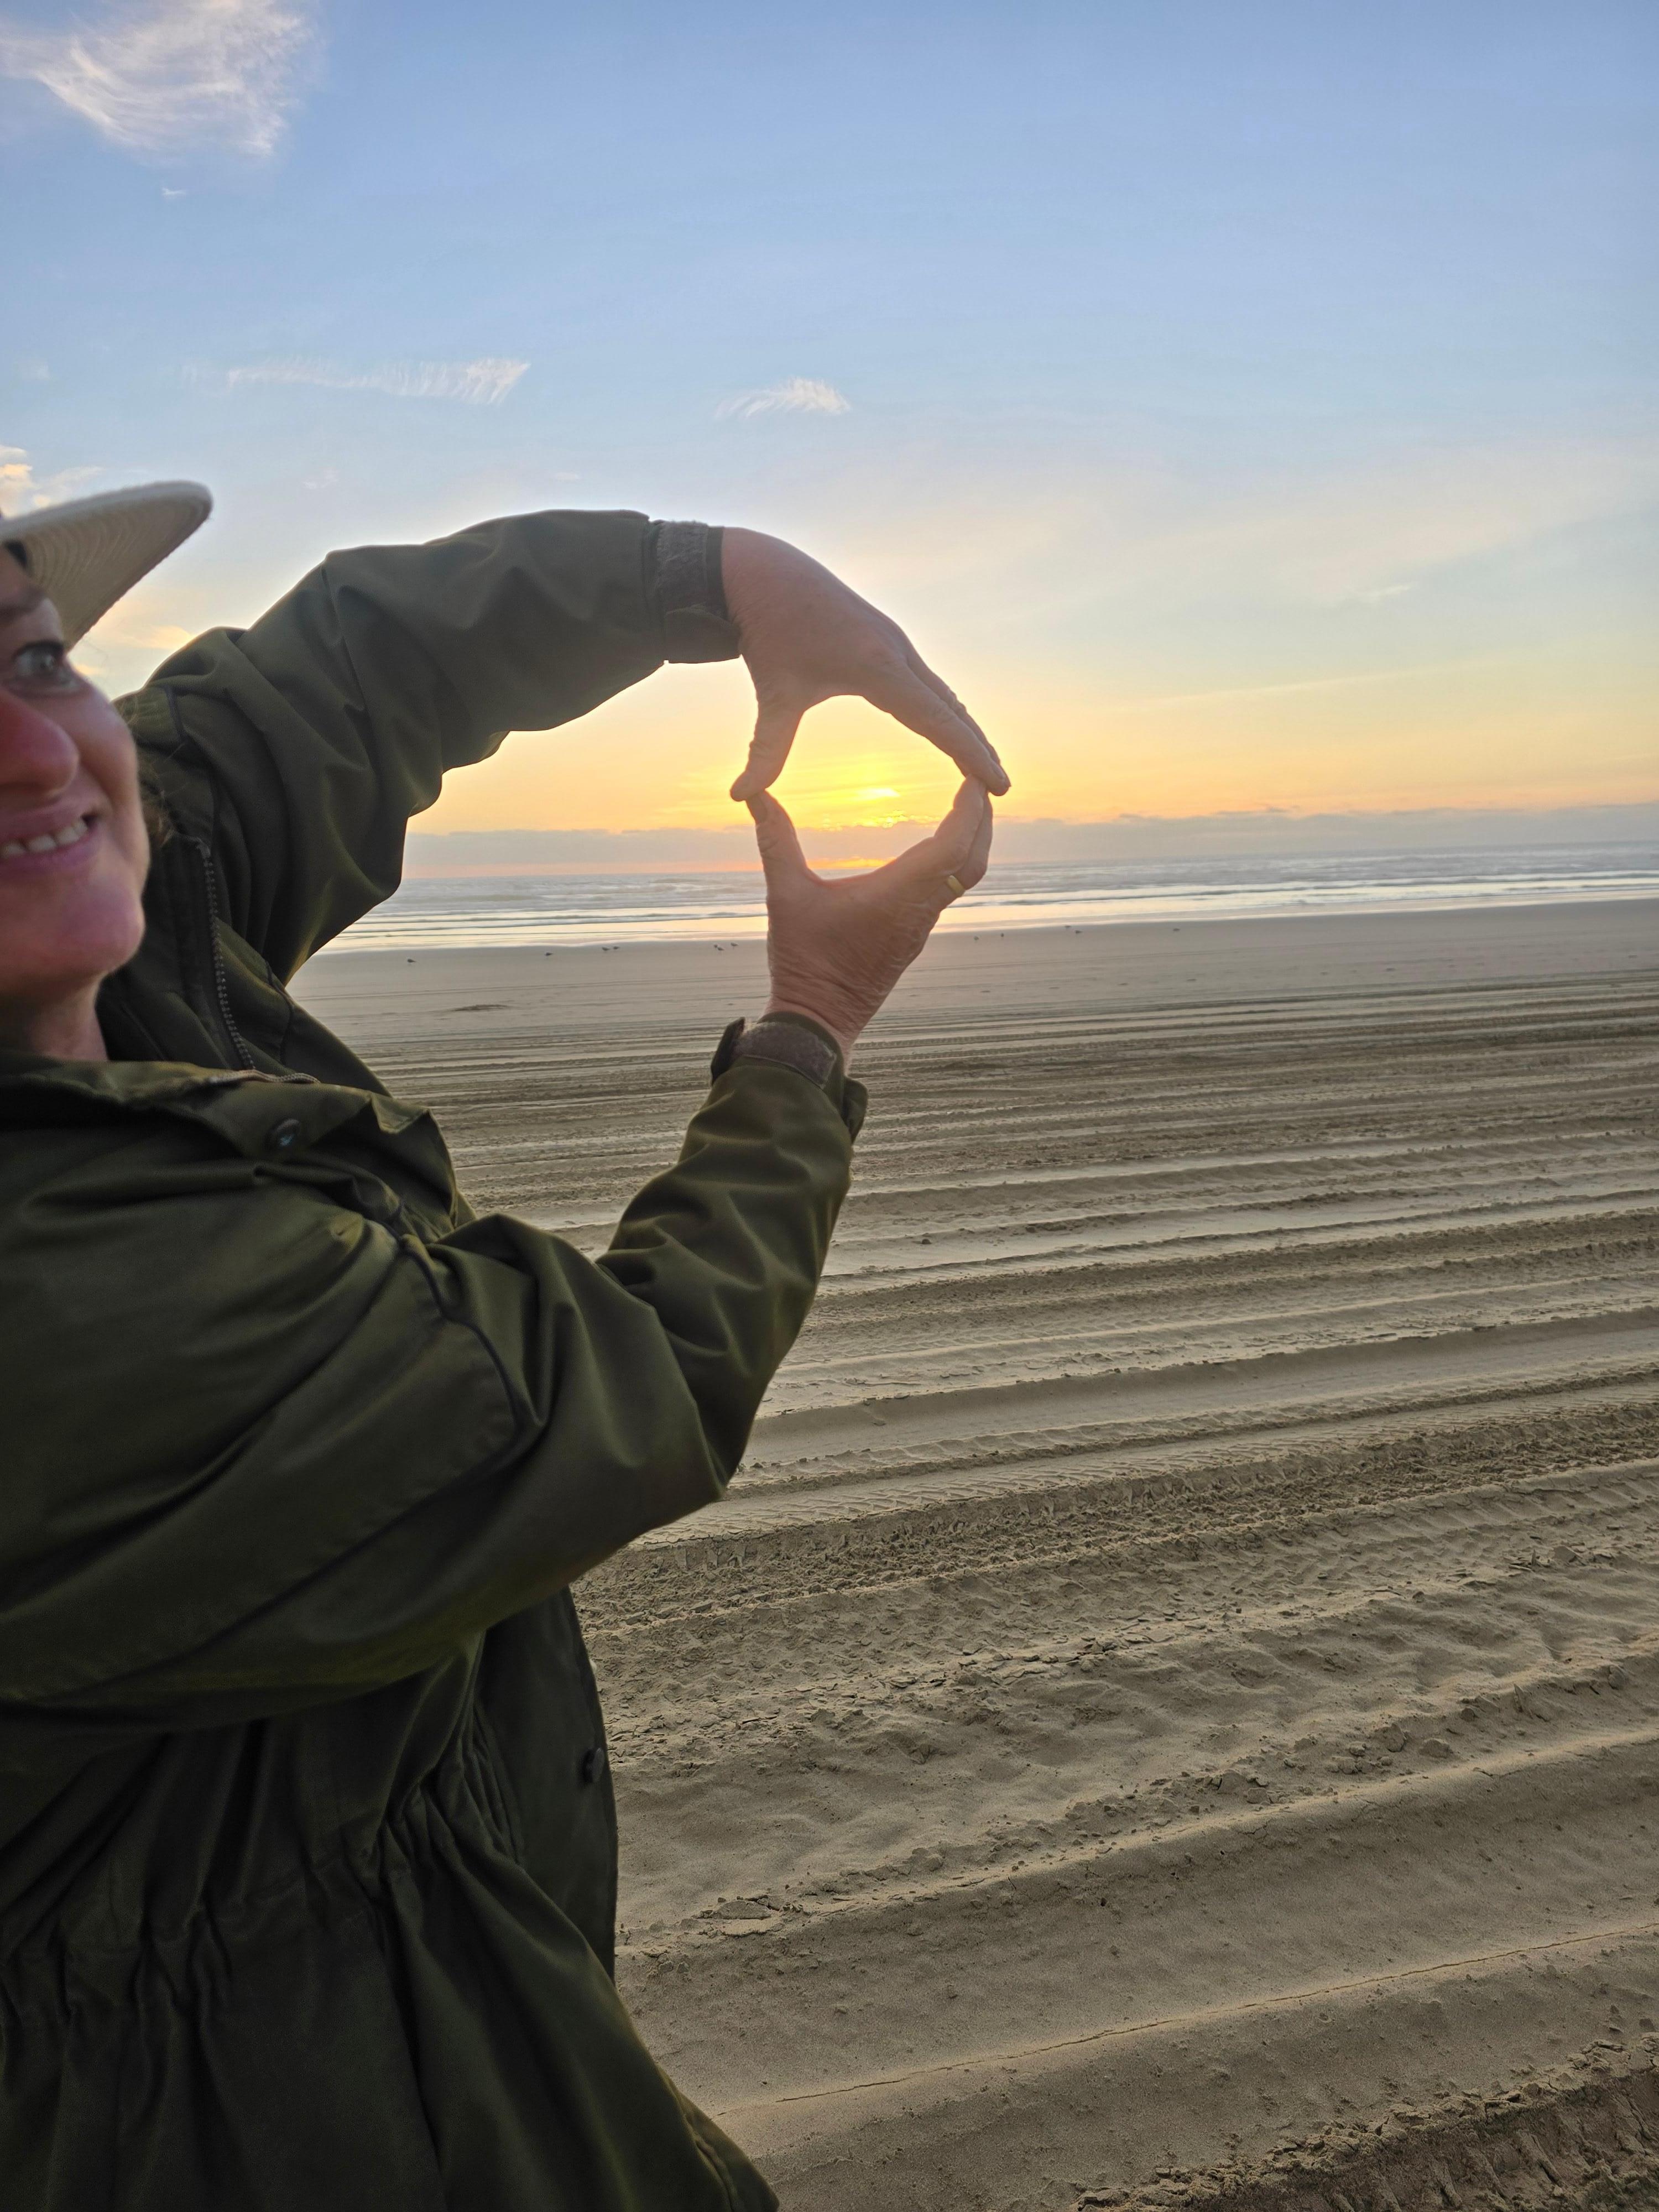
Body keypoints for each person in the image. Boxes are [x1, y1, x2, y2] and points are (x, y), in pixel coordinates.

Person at [0, 483, 999, 2211]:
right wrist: (806, 1037)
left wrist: (708, 574)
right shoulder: (81, 1304)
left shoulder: (90, 964)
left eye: (32, 658)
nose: (36, 754)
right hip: (251, 2111)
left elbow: (325, 691)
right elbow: (624, 1380)